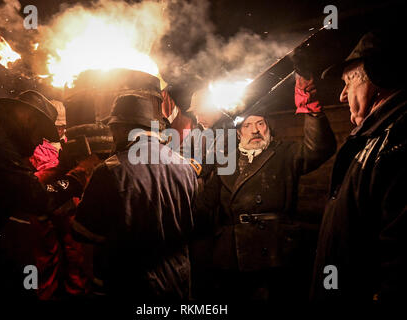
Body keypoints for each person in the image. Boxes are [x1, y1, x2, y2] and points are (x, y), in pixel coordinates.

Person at [192, 72, 336, 300]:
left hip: (277, 251)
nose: (255, 130)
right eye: (248, 125)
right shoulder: (225, 160)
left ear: (268, 126)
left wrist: (313, 111)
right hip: (233, 255)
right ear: (239, 133)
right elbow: (204, 205)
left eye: (260, 123)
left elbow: (319, 149)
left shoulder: (286, 152)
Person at [0, 90, 99, 299]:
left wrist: (61, 169)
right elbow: (36, 197)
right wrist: (79, 175)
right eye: (39, 134)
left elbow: (24, 183)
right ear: (27, 118)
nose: (37, 143)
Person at [71, 82, 198, 300]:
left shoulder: (111, 170)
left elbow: (83, 231)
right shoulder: (186, 167)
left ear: (122, 129)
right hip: (179, 280)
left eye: (113, 129)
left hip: (132, 284)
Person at [311, 30, 407, 302]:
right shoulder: (375, 138)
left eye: (348, 82)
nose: (342, 96)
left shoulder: (397, 140)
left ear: (378, 78)